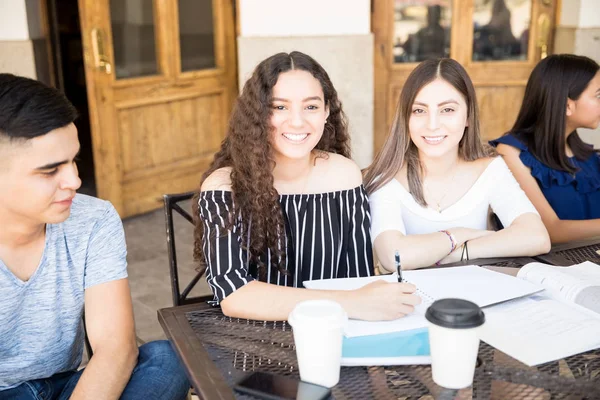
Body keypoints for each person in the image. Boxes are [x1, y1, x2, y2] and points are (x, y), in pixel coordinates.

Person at [0, 74, 189, 399]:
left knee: (168, 359)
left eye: (74, 161)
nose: (74, 180)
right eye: (50, 171)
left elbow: (116, 347)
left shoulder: (93, 218)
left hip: (67, 386)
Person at [194, 51, 421, 322]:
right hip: (253, 338)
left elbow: (356, 276)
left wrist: (358, 307)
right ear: (257, 115)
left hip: (336, 329)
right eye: (279, 107)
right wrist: (352, 303)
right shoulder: (224, 186)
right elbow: (234, 294)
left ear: (327, 112)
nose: (298, 121)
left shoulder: (344, 175)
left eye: (311, 106)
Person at [363, 58, 550, 272]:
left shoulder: (490, 169)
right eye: (419, 111)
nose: (432, 125)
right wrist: (458, 235)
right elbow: (393, 257)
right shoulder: (386, 178)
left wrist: (460, 253)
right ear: (406, 118)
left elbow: (536, 236)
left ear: (468, 116)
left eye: (447, 110)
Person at [490, 54, 600, 243]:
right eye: (599, 95)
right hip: (548, 268)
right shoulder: (511, 153)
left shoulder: (588, 156)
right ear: (567, 105)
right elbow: (550, 230)